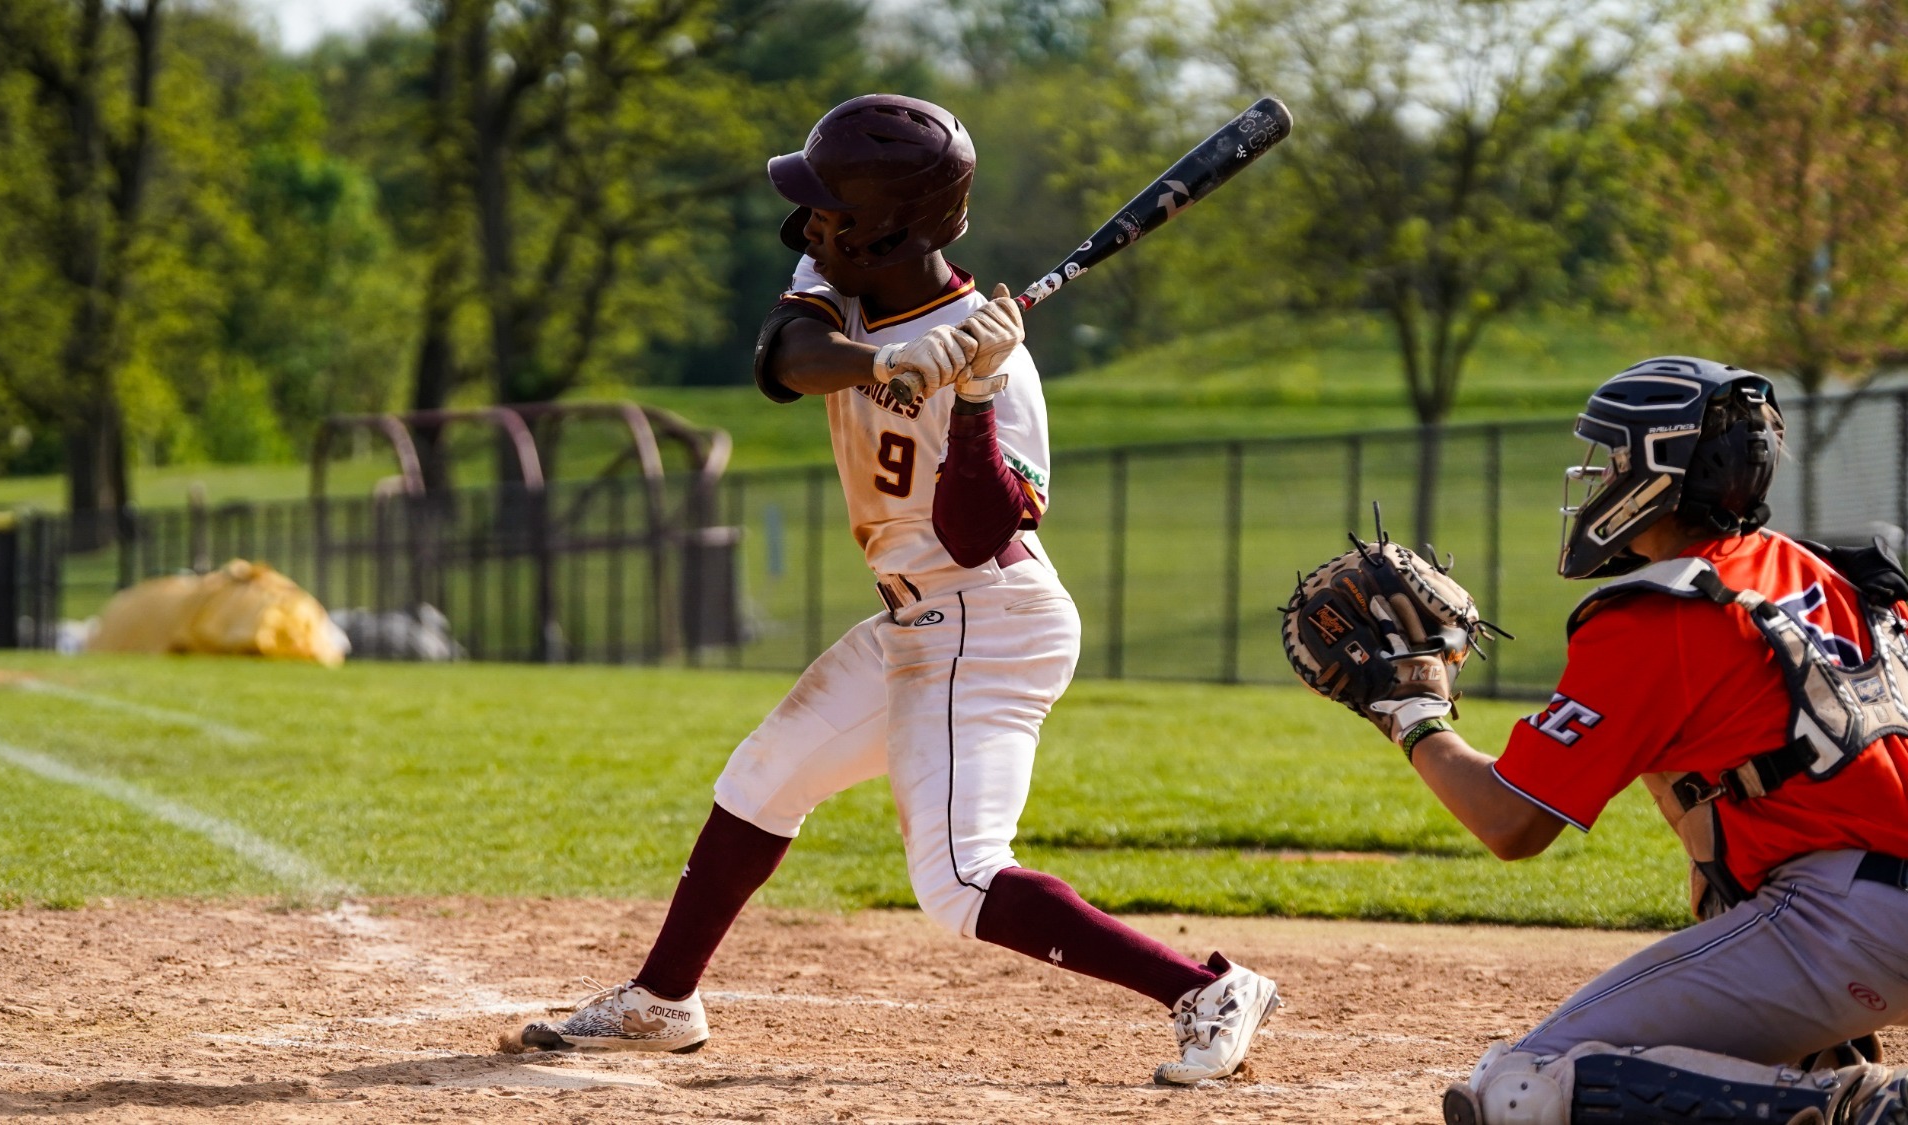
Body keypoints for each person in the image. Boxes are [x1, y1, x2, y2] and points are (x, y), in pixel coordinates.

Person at [504, 94, 1279, 1085]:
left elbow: (977, 532)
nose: (805, 224)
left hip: (990, 622)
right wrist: (890, 362)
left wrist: (975, 397)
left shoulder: (1002, 365)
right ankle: (661, 1001)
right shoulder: (843, 286)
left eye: (829, 209)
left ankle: (1207, 989)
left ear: (887, 227)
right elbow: (782, 358)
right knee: (759, 781)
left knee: (959, 878)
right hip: (915, 618)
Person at [1376, 357, 1908, 1125]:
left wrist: (1411, 712)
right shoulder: (1822, 571)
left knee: (1521, 1086)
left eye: (1613, 457)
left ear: (1663, 469)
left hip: (1851, 921)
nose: (1599, 477)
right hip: (1865, 904)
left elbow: (1511, 820)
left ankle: (1858, 1111)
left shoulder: (1666, 612)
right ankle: (1820, 1066)